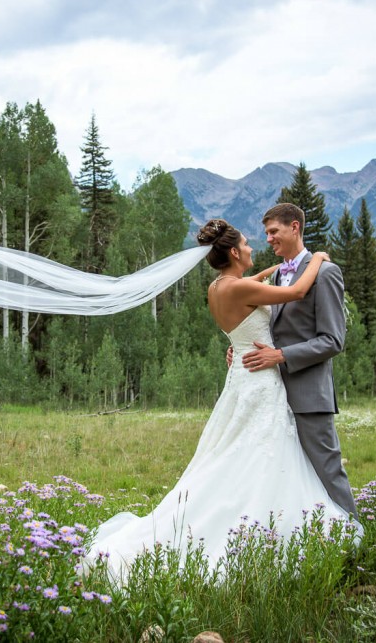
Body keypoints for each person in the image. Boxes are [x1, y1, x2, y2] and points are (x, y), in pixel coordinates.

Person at [85, 218, 352, 582]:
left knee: (237, 456)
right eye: (246, 243)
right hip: (259, 385)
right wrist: (318, 259)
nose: (253, 247)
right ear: (232, 251)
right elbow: (297, 293)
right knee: (259, 459)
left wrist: (280, 268)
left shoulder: (218, 287)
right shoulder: (239, 288)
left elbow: (248, 304)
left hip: (243, 379)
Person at [241, 203, 359, 520]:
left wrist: (280, 356)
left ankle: (354, 540)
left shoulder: (325, 273)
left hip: (309, 395)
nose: (268, 239)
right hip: (273, 396)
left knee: (326, 470)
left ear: (294, 227)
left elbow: (333, 339)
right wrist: (239, 350)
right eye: (266, 233)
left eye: (273, 231)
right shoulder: (278, 274)